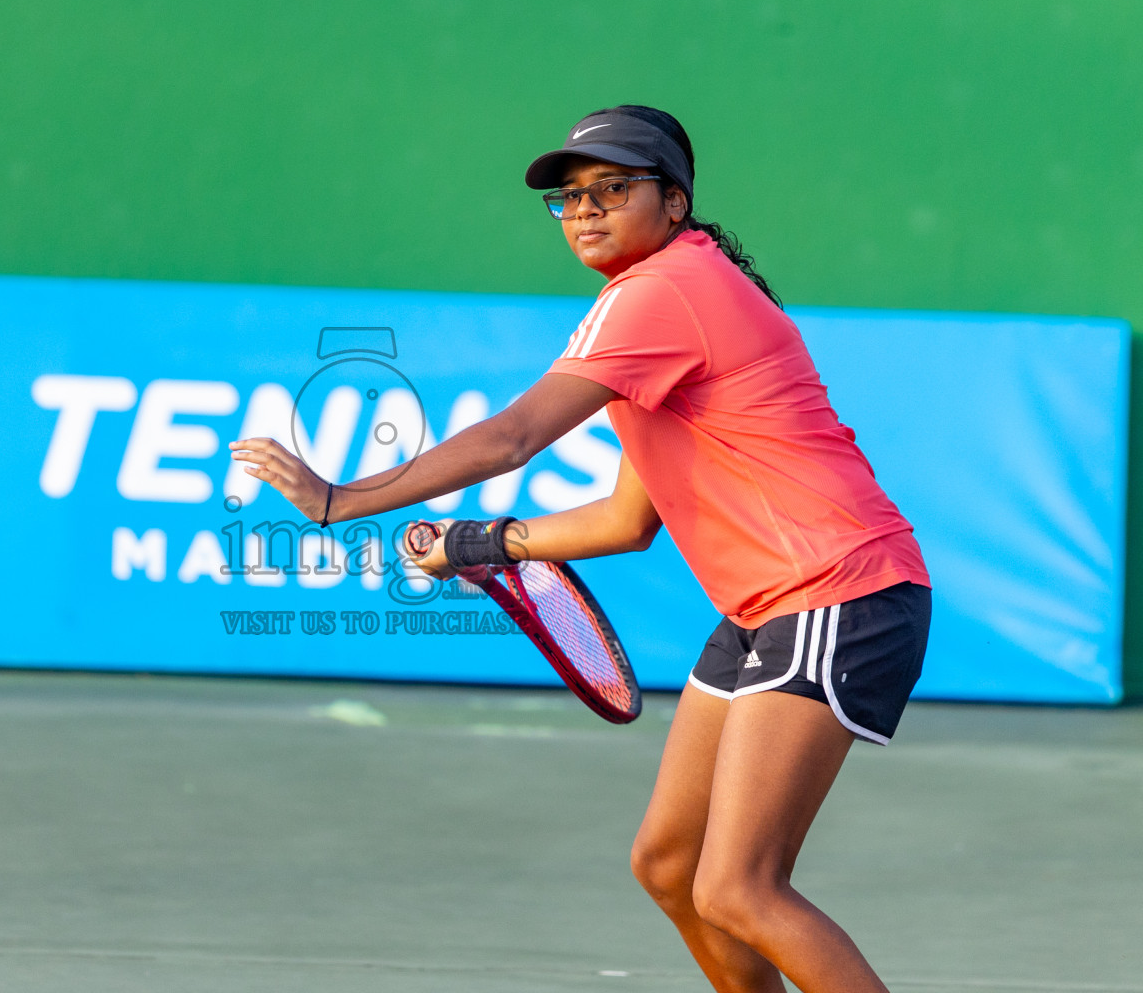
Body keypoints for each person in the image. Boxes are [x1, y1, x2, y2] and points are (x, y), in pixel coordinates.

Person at [230, 104, 930, 993]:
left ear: (674, 204)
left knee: (739, 885)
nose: (586, 209)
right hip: (767, 607)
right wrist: (482, 541)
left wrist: (340, 500)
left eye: (613, 188)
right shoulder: (664, 299)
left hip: (838, 591)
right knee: (671, 868)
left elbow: (511, 437)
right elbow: (627, 522)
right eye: (568, 199)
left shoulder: (665, 291)